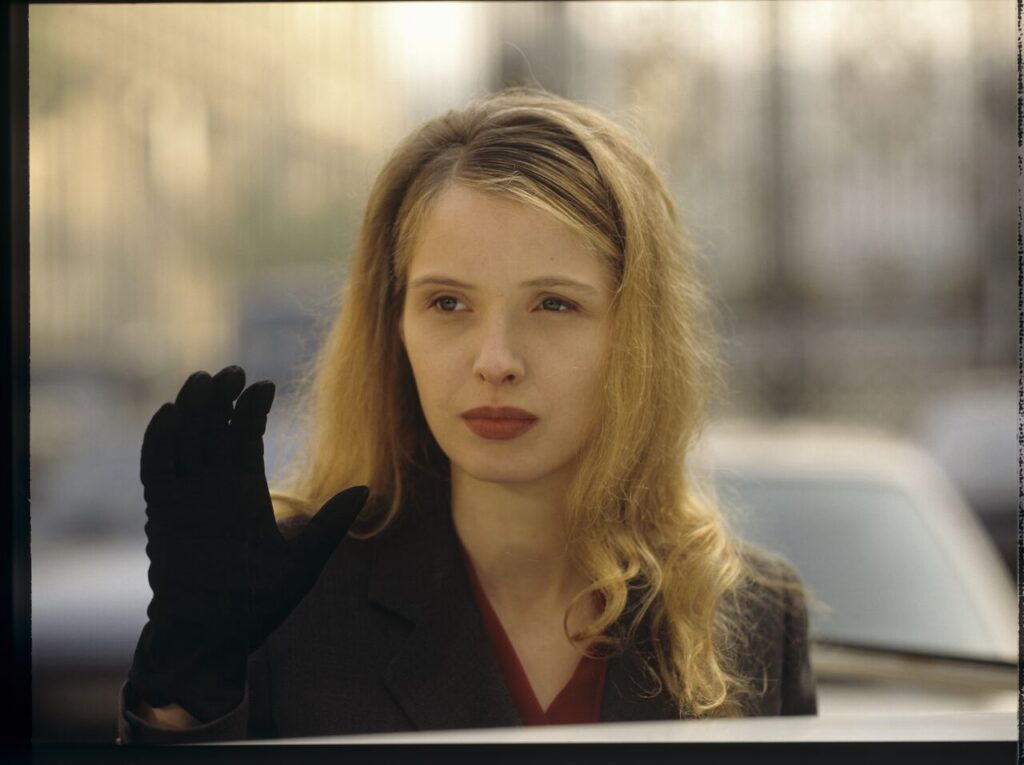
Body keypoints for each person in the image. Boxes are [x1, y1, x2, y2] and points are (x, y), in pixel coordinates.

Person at [118, 87, 816, 744]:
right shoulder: (283, 600)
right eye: (448, 303)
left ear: (638, 336)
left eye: (554, 304)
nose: (496, 361)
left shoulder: (753, 616)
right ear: (395, 326)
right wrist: (184, 693)